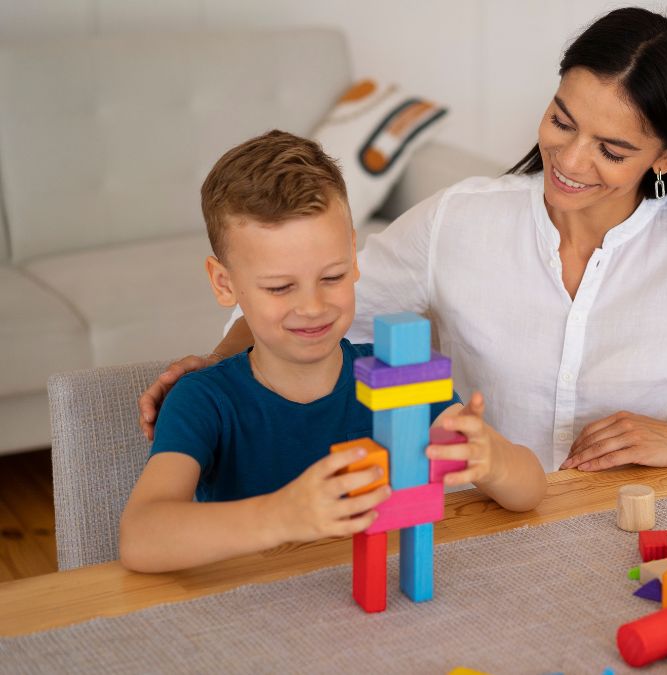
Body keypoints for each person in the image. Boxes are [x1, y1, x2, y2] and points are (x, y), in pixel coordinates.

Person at [138, 7, 667, 478]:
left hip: (638, 528)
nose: (569, 162)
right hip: (479, 522)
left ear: (666, 156)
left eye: (612, 149)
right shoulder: (462, 220)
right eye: (563, 120)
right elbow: (324, 302)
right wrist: (213, 366)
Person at [120, 131, 546, 573]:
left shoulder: (398, 372)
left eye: (332, 276)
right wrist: (284, 515)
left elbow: (530, 490)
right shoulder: (204, 400)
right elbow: (140, 537)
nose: (312, 306)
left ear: (354, 258)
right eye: (280, 287)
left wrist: (491, 460)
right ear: (224, 283)